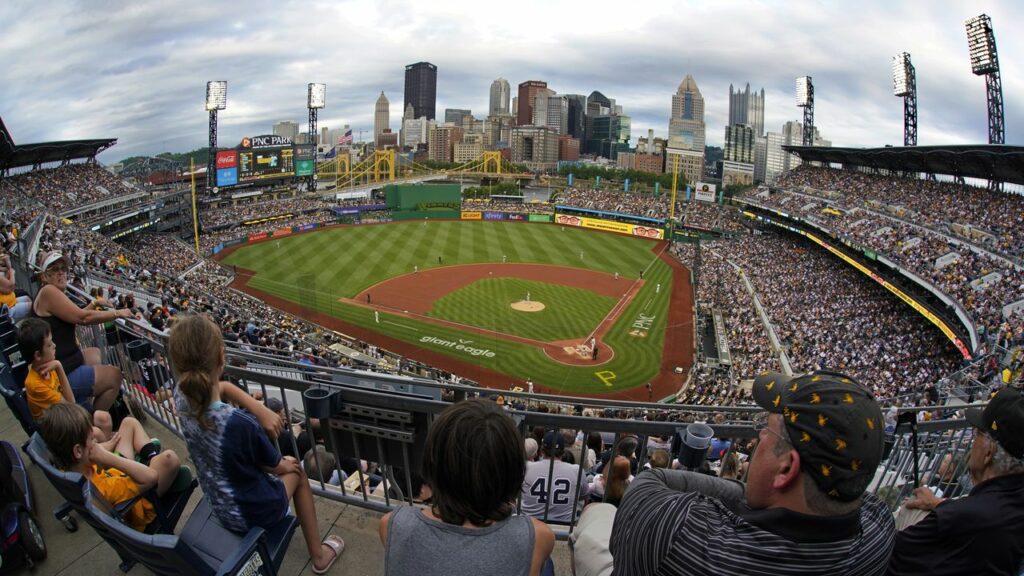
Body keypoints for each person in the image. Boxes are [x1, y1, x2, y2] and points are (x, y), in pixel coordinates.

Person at [610, 370, 895, 575]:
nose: (758, 435)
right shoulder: (880, 531)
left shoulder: (679, 533)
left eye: (766, 428)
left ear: (785, 469)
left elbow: (650, 482)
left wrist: (741, 494)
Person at [168, 314, 344, 574]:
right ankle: (318, 556)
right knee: (297, 470)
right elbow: (277, 467)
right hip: (250, 512)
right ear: (221, 358)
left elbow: (222, 387)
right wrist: (262, 421)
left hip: (217, 500)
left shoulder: (181, 396)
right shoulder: (238, 424)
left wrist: (255, 406)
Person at [379, 399, 554, 576]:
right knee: (546, 565)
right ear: (512, 472)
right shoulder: (538, 536)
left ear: (432, 465)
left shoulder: (393, 524)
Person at [887, 387, 1024, 575]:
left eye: (977, 434)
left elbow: (887, 554)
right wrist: (941, 504)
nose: (972, 442)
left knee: (910, 511)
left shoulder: (959, 518)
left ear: (988, 453)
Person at [38, 403, 185, 532]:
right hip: (140, 502)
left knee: (128, 423)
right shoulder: (105, 489)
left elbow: (87, 456)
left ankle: (149, 454)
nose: (95, 441)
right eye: (92, 440)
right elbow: (151, 478)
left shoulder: (71, 467)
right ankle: (150, 456)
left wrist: (104, 447)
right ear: (77, 451)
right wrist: (107, 456)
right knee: (169, 459)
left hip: (114, 475)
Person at [31, 252, 130, 412]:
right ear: (44, 276)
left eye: (63, 268)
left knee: (95, 353)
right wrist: (117, 313)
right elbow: (82, 318)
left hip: (66, 362)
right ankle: (92, 422)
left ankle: (85, 399)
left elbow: (73, 317)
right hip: (60, 373)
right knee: (115, 375)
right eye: (55, 269)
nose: (61, 272)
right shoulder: (49, 292)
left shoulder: (48, 292)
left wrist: (94, 303)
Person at [18, 317, 112, 438]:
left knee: (105, 418)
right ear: (37, 355)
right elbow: (71, 404)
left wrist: (57, 366)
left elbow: (69, 402)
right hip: (58, 431)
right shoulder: (35, 384)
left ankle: (103, 451)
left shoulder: (47, 366)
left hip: (65, 418)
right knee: (97, 433)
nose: (54, 346)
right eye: (50, 344)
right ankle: (101, 452)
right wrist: (59, 367)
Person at [521, 430, 589, 522]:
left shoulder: (527, 467)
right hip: (565, 525)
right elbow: (584, 497)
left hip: (530, 524)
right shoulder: (577, 470)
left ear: (541, 450)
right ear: (563, 451)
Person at [0, 250, 31, 321]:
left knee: (27, 297)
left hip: (10, 301)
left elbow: (5, 281)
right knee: (33, 306)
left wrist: (9, 268)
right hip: (7, 309)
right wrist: (12, 273)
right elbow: (10, 287)